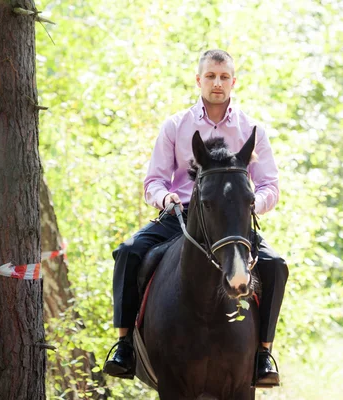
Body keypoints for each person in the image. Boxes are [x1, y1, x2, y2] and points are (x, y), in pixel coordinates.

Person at [103, 49, 289, 386]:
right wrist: (165, 197)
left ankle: (263, 353)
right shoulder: (176, 125)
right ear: (198, 80)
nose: (217, 83)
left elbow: (270, 185)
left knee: (275, 264)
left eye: (224, 77)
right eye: (210, 76)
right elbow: (153, 181)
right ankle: (125, 345)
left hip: (233, 221)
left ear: (234, 81)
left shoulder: (252, 129)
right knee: (128, 251)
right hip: (182, 215)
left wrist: (252, 204)